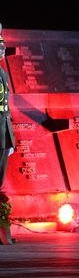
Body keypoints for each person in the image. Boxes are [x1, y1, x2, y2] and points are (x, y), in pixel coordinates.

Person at [0, 24, 15, 189]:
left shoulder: (2, 72)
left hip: (3, 125)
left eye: (3, 46)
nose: (2, 49)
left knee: (2, 163)